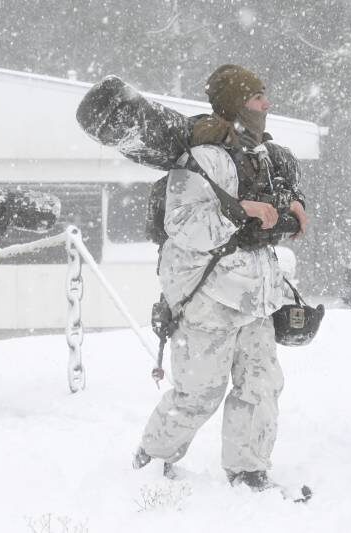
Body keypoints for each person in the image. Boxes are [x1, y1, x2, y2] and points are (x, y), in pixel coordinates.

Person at [133, 65, 308, 491]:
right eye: (256, 97)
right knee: (199, 394)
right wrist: (241, 210)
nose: (266, 104)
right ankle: (150, 463)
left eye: (264, 94)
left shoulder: (264, 155)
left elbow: (276, 203)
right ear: (234, 104)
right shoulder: (205, 155)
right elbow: (182, 224)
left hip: (255, 293)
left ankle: (249, 471)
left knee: (261, 385)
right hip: (206, 295)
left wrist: (294, 207)